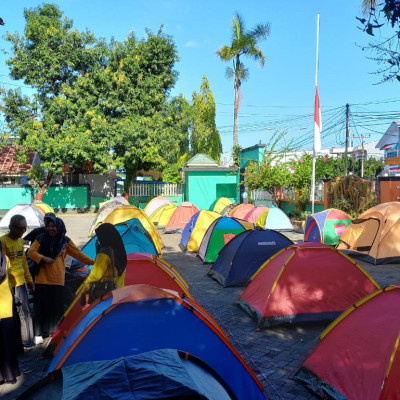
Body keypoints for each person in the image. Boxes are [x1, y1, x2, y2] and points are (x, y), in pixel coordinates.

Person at [28, 214, 94, 340]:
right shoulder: (41, 238)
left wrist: (93, 262)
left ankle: (54, 332)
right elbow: (31, 252)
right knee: (42, 306)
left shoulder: (65, 241)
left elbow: (78, 254)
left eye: (53, 226)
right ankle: (41, 333)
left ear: (59, 227)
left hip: (57, 278)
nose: (51, 229)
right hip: (42, 278)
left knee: (56, 306)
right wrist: (43, 258)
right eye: (48, 226)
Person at [0, 215, 35, 351]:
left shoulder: (21, 241)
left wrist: (29, 280)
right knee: (13, 315)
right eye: (20, 228)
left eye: (25, 228)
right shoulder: (3, 241)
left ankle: (27, 341)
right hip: (8, 285)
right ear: (11, 227)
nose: (23, 231)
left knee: (25, 312)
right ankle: (16, 344)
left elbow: (24, 263)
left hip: (21, 283)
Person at [81, 223, 127, 303]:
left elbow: (94, 276)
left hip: (106, 297)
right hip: (119, 294)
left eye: (99, 238)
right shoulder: (120, 252)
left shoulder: (105, 254)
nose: (98, 241)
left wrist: (83, 291)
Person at [0, 241, 20, 385]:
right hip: (6, 308)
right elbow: (10, 279)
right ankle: (11, 374)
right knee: (8, 342)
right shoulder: (5, 258)